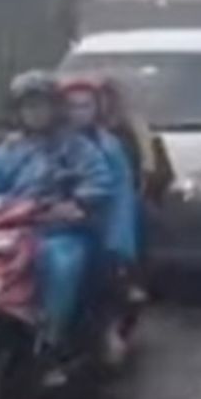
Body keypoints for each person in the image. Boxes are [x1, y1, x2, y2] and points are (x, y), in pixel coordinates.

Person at [0, 71, 113, 365]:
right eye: (28, 107)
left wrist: (77, 202)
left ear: (55, 108)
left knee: (61, 262)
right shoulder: (5, 151)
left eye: (41, 105)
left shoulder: (76, 147)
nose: (35, 113)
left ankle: (52, 335)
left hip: (58, 231)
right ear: (17, 112)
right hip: (8, 232)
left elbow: (99, 180)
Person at [58, 75, 141, 364]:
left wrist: (117, 243)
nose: (78, 112)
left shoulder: (109, 147)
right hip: (47, 226)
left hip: (94, 229)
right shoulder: (46, 142)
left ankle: (106, 331)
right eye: (71, 105)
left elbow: (120, 197)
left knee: (100, 276)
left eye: (85, 105)